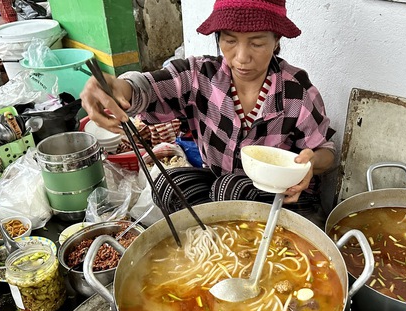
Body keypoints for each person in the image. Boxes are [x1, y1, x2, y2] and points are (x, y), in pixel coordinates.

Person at [80, 0, 336, 227]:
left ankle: (237, 236)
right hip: (219, 185)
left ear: (277, 40)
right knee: (167, 185)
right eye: (229, 40)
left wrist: (311, 163)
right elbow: (147, 87)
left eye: (257, 43)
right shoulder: (199, 76)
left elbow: (327, 152)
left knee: (231, 188)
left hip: (284, 197)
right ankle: (221, 235)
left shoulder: (296, 89)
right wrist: (119, 88)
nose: (241, 57)